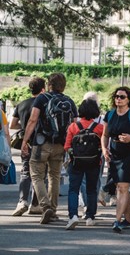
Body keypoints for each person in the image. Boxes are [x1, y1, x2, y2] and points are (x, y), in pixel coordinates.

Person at [21, 72, 78, 225]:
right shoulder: (69, 101)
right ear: (63, 86)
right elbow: (74, 125)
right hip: (60, 144)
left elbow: (33, 120)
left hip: (41, 143)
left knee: (36, 175)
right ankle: (53, 209)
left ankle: (45, 206)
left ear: (49, 85)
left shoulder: (41, 98)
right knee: (55, 176)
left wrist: (25, 141)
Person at [101, 86, 130, 232]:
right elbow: (105, 135)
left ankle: (117, 220)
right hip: (115, 152)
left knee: (122, 186)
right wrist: (104, 149)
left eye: (122, 97)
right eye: (117, 96)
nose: (118, 99)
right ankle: (128, 220)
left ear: (128, 99)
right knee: (121, 187)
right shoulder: (110, 114)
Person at [63, 99, 104, 229]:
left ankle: (73, 216)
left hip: (76, 162)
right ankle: (90, 216)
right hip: (94, 162)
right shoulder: (100, 128)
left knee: (73, 190)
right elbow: (103, 146)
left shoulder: (73, 126)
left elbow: (67, 146)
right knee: (92, 189)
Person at [10, 76, 46, 217]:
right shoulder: (44, 104)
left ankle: (22, 201)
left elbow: (13, 124)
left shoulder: (22, 104)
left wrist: (24, 126)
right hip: (41, 143)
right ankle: (35, 204)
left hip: (26, 142)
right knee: (39, 174)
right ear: (43, 89)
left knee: (25, 172)